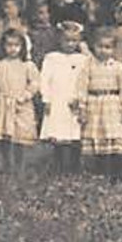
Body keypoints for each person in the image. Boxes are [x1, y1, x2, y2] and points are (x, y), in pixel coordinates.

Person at [77, 26, 122, 177]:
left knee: (114, 137)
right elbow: (82, 87)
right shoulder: (88, 66)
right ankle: (100, 170)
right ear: (94, 46)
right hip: (95, 105)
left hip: (113, 106)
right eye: (100, 46)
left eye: (108, 47)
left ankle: (117, 172)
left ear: (114, 49)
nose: (103, 50)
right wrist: (82, 107)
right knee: (99, 137)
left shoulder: (118, 68)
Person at [0, 28, 39, 172]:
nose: (13, 49)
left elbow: (35, 83)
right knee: (4, 137)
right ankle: (7, 164)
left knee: (19, 136)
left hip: (21, 105)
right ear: (3, 46)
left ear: (22, 47)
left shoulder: (27, 65)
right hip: (3, 104)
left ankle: (19, 165)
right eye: (9, 45)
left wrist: (26, 95)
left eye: (16, 45)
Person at [39, 21, 87, 173]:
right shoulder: (52, 58)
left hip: (74, 100)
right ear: (60, 40)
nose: (70, 44)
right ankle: (58, 163)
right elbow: (44, 79)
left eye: (74, 41)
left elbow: (85, 80)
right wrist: (46, 99)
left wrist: (80, 99)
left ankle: (74, 164)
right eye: (67, 40)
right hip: (57, 98)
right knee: (58, 132)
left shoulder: (82, 59)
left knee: (75, 132)